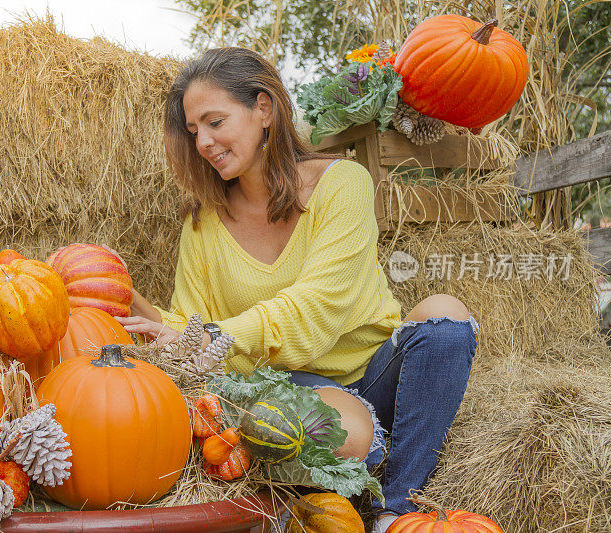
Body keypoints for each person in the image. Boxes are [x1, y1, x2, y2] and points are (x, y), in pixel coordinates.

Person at [112, 47, 478, 533]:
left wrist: (210, 337)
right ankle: (379, 456)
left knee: (446, 314)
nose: (202, 141)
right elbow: (191, 327)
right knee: (350, 437)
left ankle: (395, 509)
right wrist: (125, 297)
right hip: (284, 381)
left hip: (371, 368)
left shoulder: (341, 184)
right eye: (193, 130)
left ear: (264, 108)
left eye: (215, 121)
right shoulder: (203, 226)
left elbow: (318, 308)